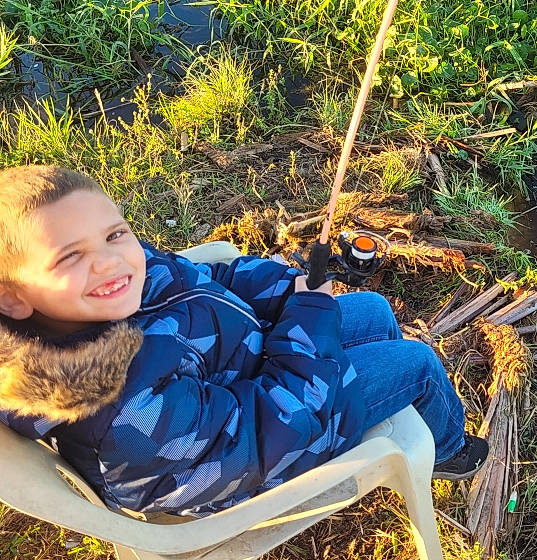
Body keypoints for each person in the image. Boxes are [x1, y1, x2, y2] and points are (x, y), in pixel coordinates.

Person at [0, 164, 487, 516]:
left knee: (375, 310)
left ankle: (389, 414)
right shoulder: (122, 408)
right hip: (262, 452)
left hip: (243, 375)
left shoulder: (106, 290)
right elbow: (272, 430)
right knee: (417, 365)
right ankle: (447, 451)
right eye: (69, 257)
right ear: (14, 298)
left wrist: (288, 290)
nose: (109, 261)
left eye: (114, 234)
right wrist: (309, 321)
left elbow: (201, 278)